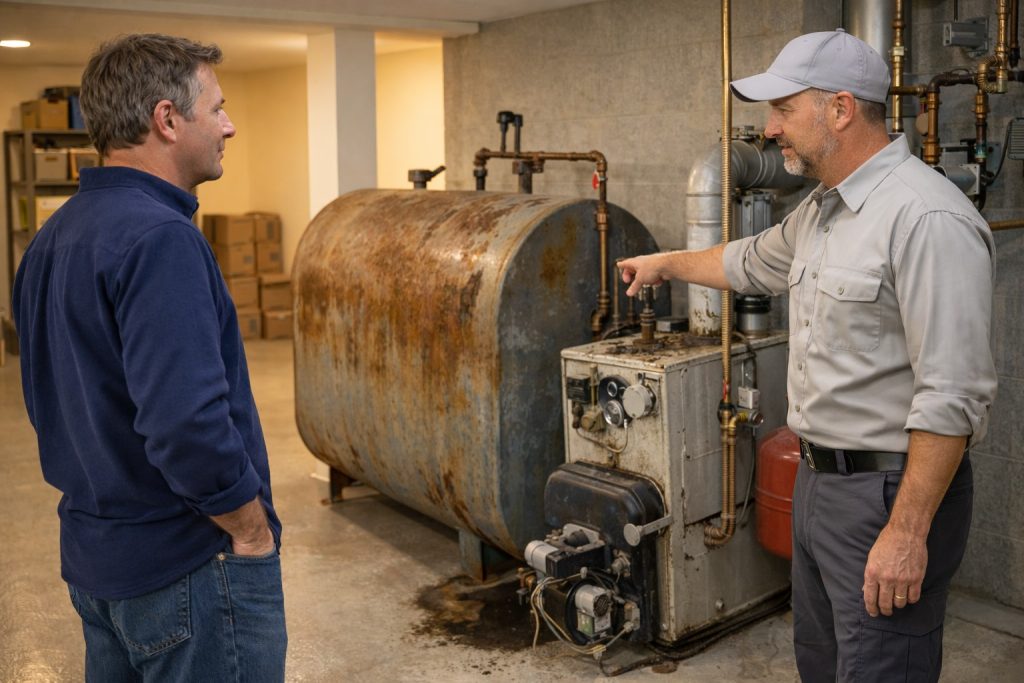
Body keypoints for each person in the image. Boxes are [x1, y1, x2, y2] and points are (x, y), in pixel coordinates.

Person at [619, 29, 996, 683]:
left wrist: (907, 532)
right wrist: (664, 263)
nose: (770, 130)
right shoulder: (823, 210)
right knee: (822, 662)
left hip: (887, 494)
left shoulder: (926, 218)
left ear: (840, 110)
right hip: (819, 483)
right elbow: (747, 260)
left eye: (784, 110)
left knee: (883, 667)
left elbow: (953, 395)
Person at [13, 34, 286, 681]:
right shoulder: (162, 239)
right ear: (167, 119)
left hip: (98, 563)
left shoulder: (55, 236)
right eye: (215, 108)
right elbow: (188, 426)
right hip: (187, 570)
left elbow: (51, 402)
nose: (229, 125)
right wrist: (249, 528)